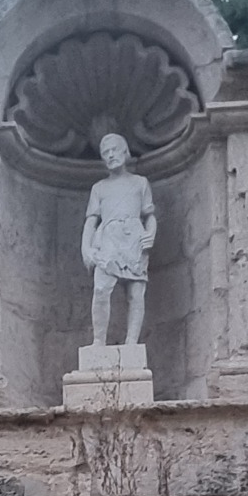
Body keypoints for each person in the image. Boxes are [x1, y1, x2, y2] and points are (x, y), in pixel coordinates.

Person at [82, 133, 156, 348]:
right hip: (108, 240)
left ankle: (132, 341)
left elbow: (149, 215)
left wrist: (151, 233)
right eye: (105, 152)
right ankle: (98, 341)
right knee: (101, 289)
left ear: (125, 152)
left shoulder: (140, 183)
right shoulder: (99, 188)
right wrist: (86, 248)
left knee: (136, 293)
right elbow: (91, 221)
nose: (111, 155)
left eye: (114, 150)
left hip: (134, 240)